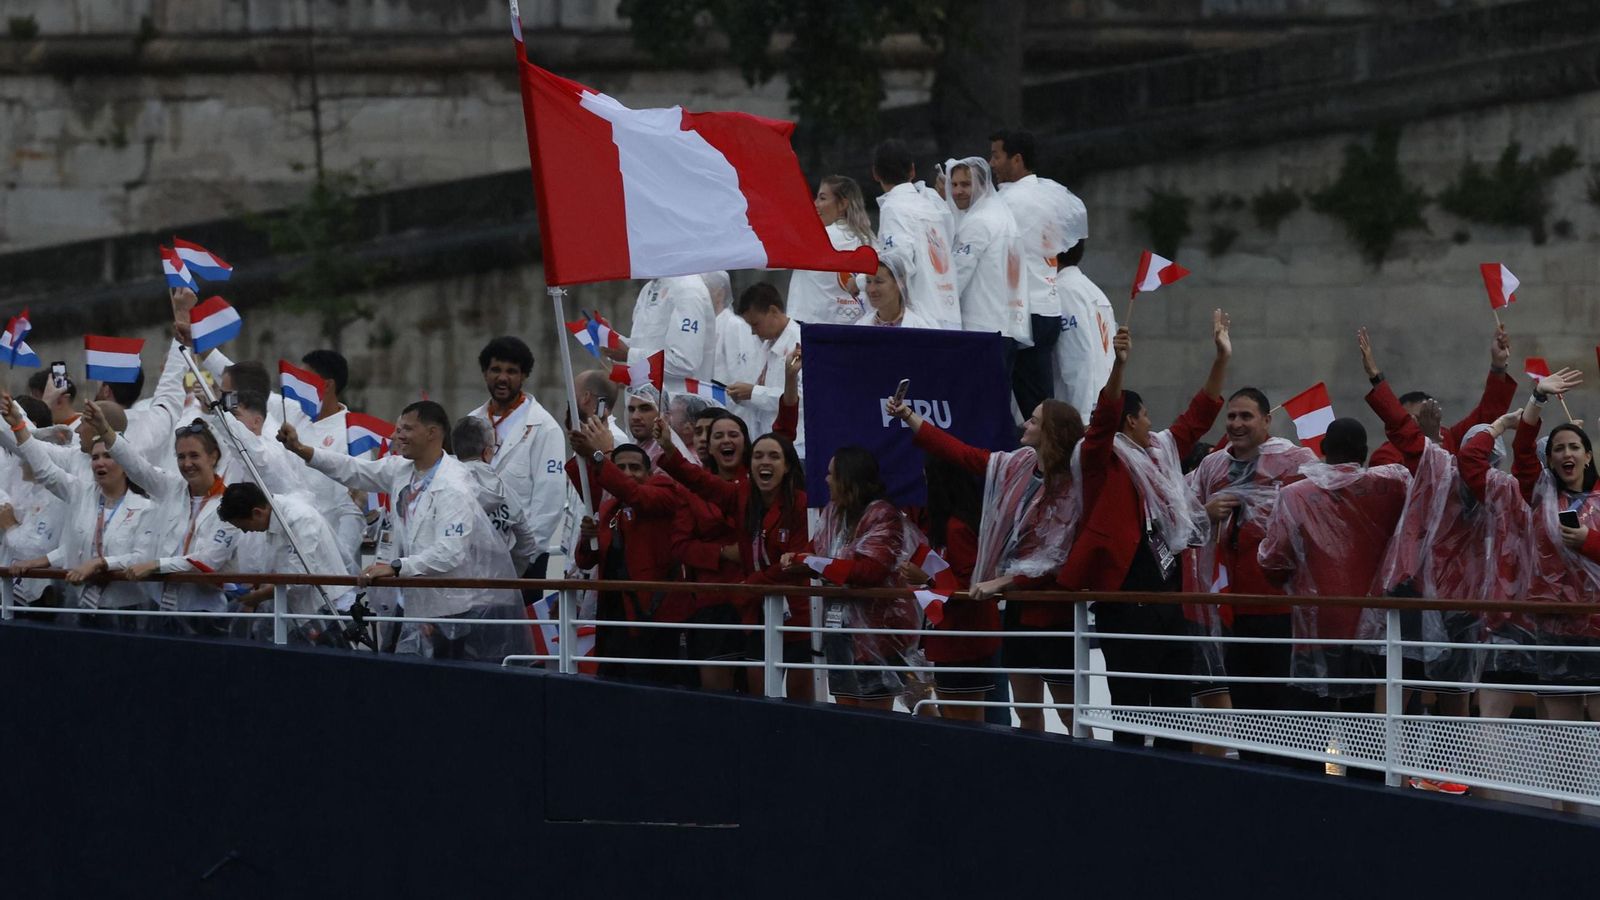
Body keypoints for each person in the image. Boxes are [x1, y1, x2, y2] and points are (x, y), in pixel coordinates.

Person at [1055, 315, 1228, 751]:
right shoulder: (1099, 460)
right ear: (1129, 421)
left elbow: (1199, 415)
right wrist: (1119, 366)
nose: (1153, 422)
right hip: (1125, 604)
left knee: (1175, 713)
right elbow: (1102, 422)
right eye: (1146, 414)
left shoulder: (1162, 453)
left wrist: (1222, 357)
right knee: (1130, 712)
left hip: (1171, 601)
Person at [280, 400, 532, 661]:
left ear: (432, 433)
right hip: (410, 602)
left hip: (449, 612)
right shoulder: (402, 470)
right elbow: (353, 469)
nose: (398, 435)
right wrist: (302, 450)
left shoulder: (455, 486)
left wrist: (397, 567)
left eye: (407, 429)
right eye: (399, 428)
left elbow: (450, 552)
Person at [892, 392, 1084, 732]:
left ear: (1052, 432)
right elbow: (961, 453)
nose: (1025, 423)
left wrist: (1001, 581)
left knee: (1071, 715)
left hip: (1054, 612)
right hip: (1018, 611)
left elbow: (1058, 557)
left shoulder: (1074, 481)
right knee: (1026, 712)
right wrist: (909, 416)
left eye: (1035, 420)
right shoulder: (1018, 465)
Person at [658, 353, 810, 698]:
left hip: (787, 612)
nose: (764, 461)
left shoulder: (793, 499)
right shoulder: (734, 494)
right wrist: (667, 446)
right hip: (735, 607)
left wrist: (789, 384)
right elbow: (690, 479)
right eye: (717, 436)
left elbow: (783, 432)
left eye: (735, 435)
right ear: (708, 447)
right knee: (747, 702)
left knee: (800, 706)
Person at [1186, 384, 1317, 758]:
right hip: (1232, 610)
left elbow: (1322, 511)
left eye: (1246, 416)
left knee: (1283, 715)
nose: (1237, 424)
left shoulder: (1294, 461)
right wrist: (1204, 514)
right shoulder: (1213, 465)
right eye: (1231, 416)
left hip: (1282, 610)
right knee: (1245, 712)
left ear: (1267, 420)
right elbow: (1178, 517)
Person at [1258, 415, 1411, 719]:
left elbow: (1273, 562)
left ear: (1324, 447)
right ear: (1364, 452)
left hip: (1317, 627)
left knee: (1309, 737)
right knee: (1370, 736)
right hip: (1377, 631)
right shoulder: (1394, 487)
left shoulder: (1293, 495)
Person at [779, 447, 922, 711]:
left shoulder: (883, 515)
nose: (825, 479)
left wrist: (809, 562)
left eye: (831, 473)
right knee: (845, 713)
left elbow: (870, 571)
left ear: (848, 478)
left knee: (874, 719)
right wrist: (796, 560)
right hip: (838, 629)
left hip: (877, 632)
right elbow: (819, 556)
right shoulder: (834, 513)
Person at [1, 393, 160, 629]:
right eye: (95, 458)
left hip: (126, 613)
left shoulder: (146, 506)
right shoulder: (82, 489)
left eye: (107, 457)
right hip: (83, 606)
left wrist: (100, 563)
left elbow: (143, 557)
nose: (98, 464)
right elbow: (43, 466)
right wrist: (17, 424)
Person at [90, 408, 240, 637]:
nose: (187, 463)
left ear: (213, 456)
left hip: (203, 614)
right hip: (160, 609)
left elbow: (207, 561)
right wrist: (105, 430)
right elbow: (136, 467)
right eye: (181, 457)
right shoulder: (172, 487)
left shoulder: (230, 504)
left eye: (194, 455)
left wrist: (155, 565)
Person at [1508, 367, 1600, 724]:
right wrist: (1538, 397)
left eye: (1574, 447)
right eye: (1559, 448)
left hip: (1597, 623)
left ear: (1588, 456)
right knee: (1564, 732)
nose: (1567, 453)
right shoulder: (1541, 494)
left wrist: (1588, 541)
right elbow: (1522, 450)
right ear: (1550, 461)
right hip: (1555, 626)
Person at [567, 426, 692, 684]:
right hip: (613, 620)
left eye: (635, 468)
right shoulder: (609, 509)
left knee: (654, 694)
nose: (627, 474)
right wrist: (586, 537)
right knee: (611, 687)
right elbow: (586, 560)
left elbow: (636, 495)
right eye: (621, 467)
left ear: (649, 473)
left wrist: (600, 456)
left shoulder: (664, 491)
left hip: (654, 620)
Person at [990, 129, 1088, 417]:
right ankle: (1052, 456)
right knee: (1040, 403)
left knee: (1009, 404)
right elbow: (1075, 233)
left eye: (996, 156)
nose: (991, 163)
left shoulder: (1005, 201)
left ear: (1017, 160)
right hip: (1048, 305)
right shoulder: (1053, 193)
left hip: (1022, 312)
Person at [900, 456, 999, 722]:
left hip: (964, 639)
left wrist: (926, 577)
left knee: (964, 719)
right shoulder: (951, 526)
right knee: (954, 716)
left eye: (927, 479)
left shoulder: (957, 528)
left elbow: (970, 587)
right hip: (953, 638)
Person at [469, 336, 566, 576]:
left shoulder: (545, 427)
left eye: (511, 371)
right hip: (476, 554)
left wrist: (525, 556)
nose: (502, 378)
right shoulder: (472, 422)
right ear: (484, 373)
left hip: (524, 560)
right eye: (496, 370)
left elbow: (549, 501)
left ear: (523, 376)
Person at [216, 481, 357, 644]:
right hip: (306, 614)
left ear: (257, 513)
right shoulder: (274, 520)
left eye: (244, 526)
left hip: (330, 610)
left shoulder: (299, 519)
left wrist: (258, 596)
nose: (245, 531)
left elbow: (299, 577)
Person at [1367, 324, 1516, 466]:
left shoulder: (1450, 439)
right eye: (1410, 420)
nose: (1420, 424)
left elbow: (1488, 414)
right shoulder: (1385, 456)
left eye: (1426, 416)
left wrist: (1498, 365)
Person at [941, 157, 1029, 354]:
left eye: (965, 184)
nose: (957, 191)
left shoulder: (978, 222)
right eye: (953, 184)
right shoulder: (1001, 216)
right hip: (1006, 326)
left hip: (982, 328)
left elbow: (955, 279)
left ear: (982, 185)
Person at [871, 139, 960, 330]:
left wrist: (862, 281)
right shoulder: (935, 203)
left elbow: (896, 264)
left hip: (921, 319)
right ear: (912, 170)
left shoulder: (893, 208)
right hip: (951, 314)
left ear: (875, 174)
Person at [452, 416, 542, 576]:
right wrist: (509, 573)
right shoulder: (507, 492)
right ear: (487, 452)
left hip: (453, 588)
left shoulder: (442, 487)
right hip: (498, 589)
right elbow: (526, 543)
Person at [730, 283, 805, 460]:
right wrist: (742, 396)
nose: (753, 332)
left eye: (755, 324)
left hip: (796, 445)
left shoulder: (801, 342)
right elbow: (759, 392)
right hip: (764, 440)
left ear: (773, 311)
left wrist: (753, 393)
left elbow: (803, 397)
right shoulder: (764, 345)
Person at [788, 175, 874, 326]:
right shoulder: (871, 241)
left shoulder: (817, 239)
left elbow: (769, 259)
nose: (815, 204)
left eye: (822, 198)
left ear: (842, 204)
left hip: (809, 330)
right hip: (854, 329)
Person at [604, 275, 718, 383]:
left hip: (678, 400)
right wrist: (613, 340)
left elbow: (684, 363)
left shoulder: (688, 288)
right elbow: (643, 345)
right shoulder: (648, 288)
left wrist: (629, 354)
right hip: (643, 397)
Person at [1052, 240, 1117, 418]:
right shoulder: (1092, 290)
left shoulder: (1064, 291)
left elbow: (1077, 360)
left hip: (1080, 411)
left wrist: (1080, 418)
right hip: (1099, 404)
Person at [855, 247, 940, 330]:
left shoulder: (921, 328)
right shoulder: (859, 328)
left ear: (900, 283)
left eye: (879, 282)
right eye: (868, 281)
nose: (871, 289)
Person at [575, 367, 629, 447]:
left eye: (573, 393)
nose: (570, 400)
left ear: (586, 397)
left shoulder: (616, 439)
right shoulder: (585, 435)